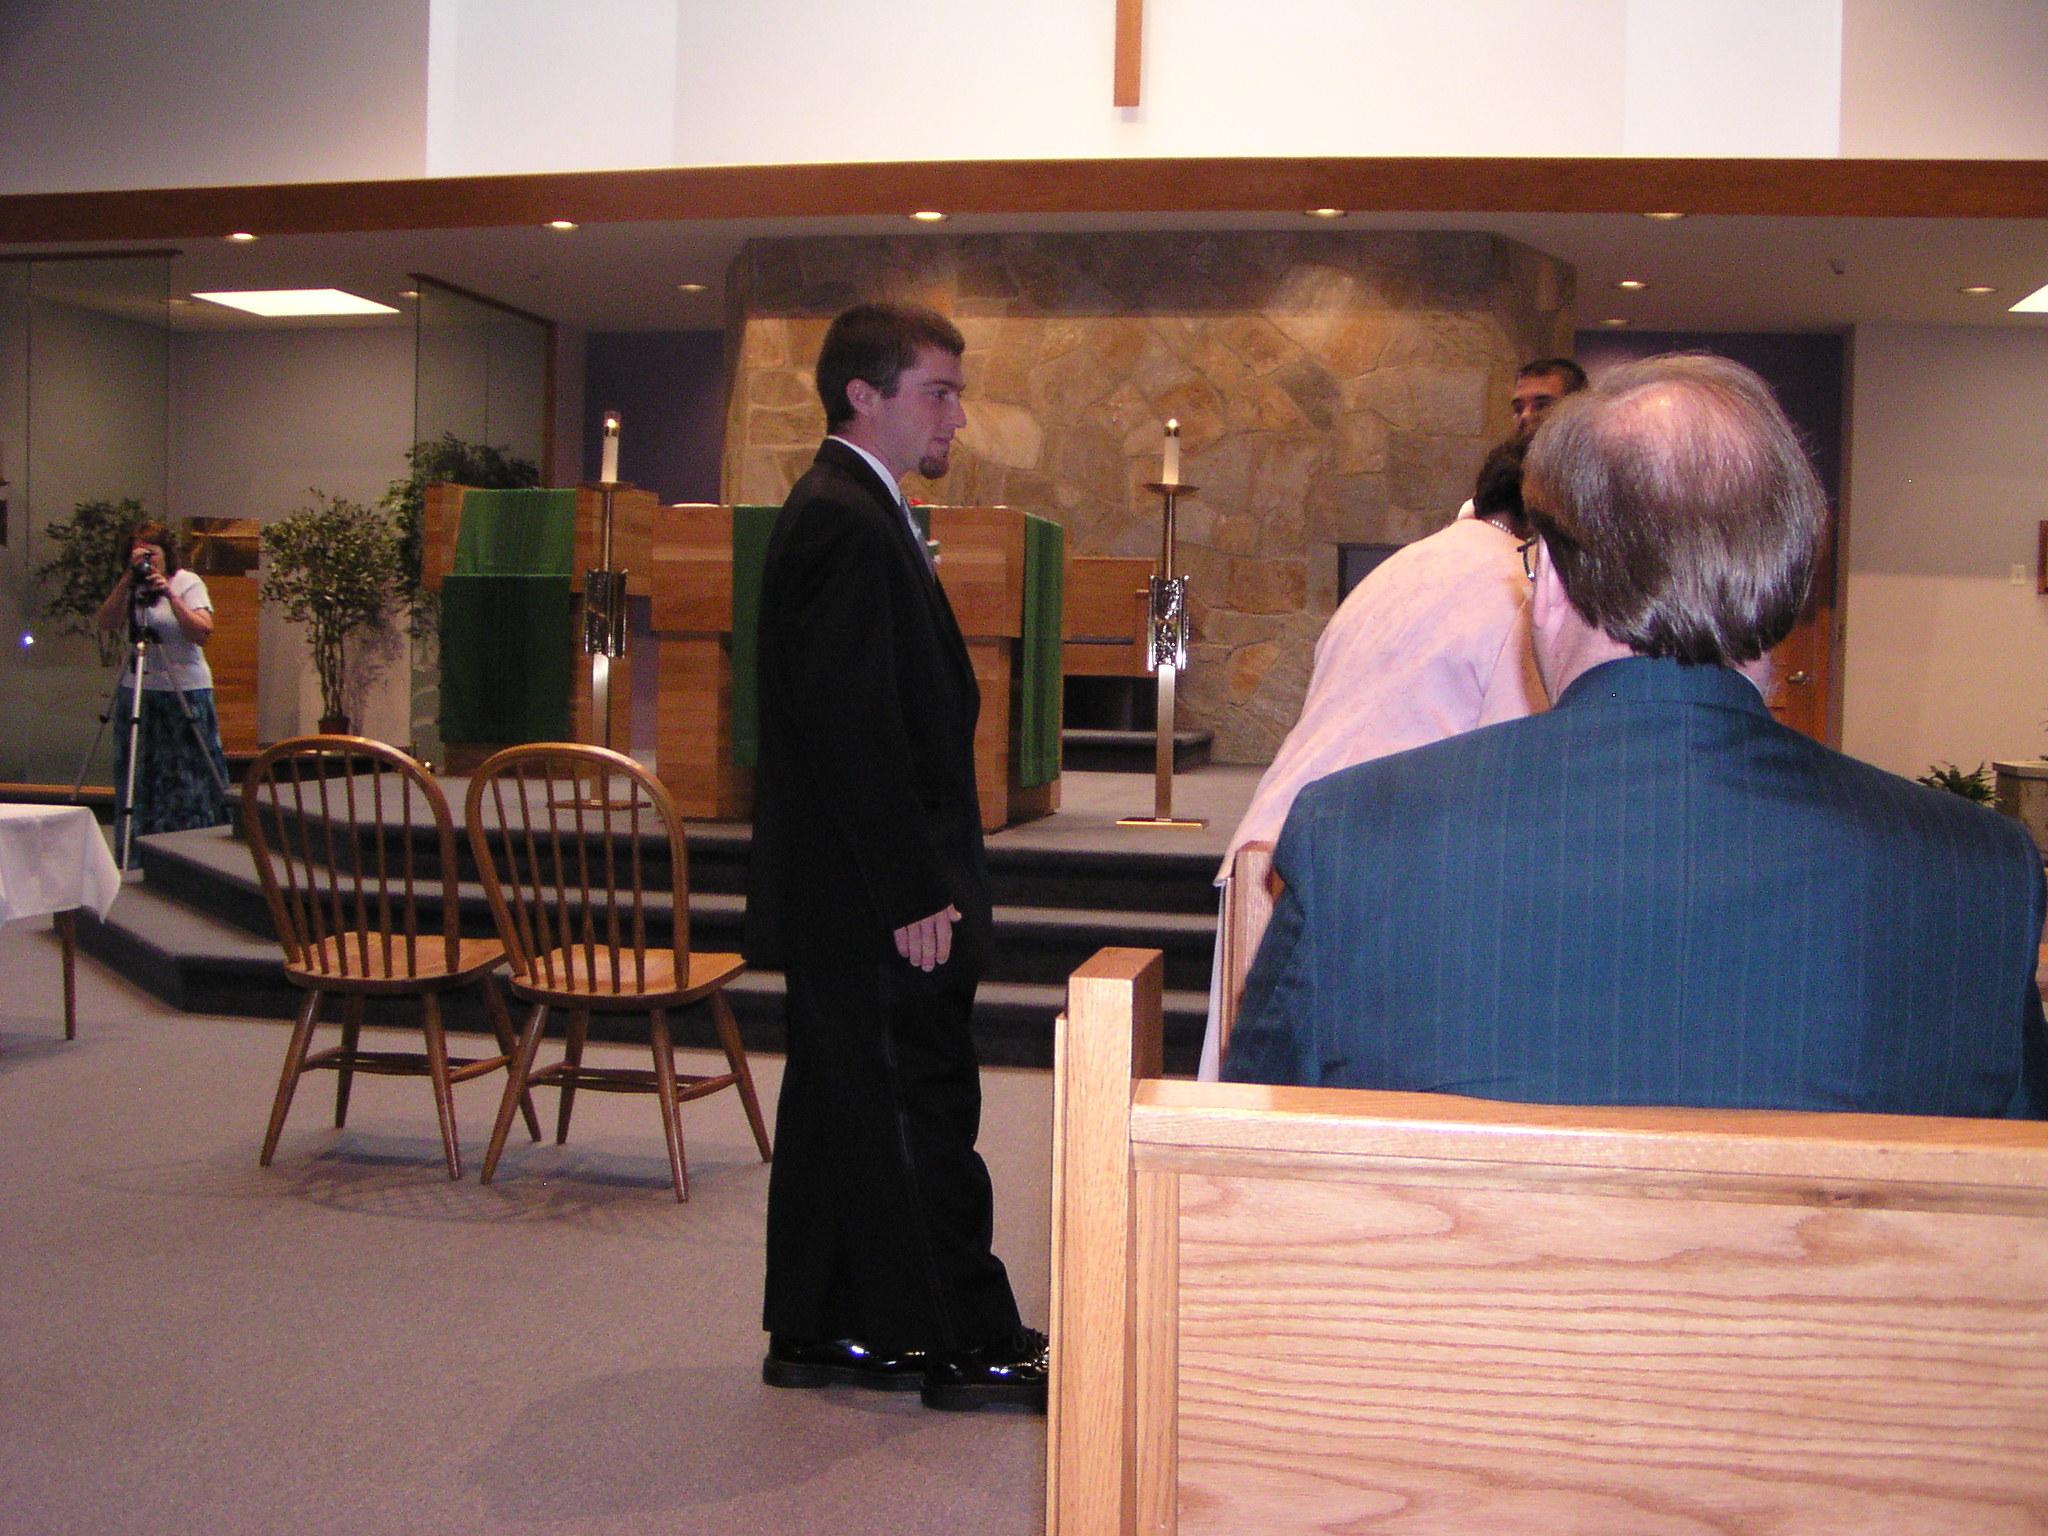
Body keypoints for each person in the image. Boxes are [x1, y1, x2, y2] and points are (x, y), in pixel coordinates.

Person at [1224, 353, 2048, 1119]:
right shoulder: (1977, 872)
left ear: (1548, 584)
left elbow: (1247, 1168)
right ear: (1788, 584)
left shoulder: (1358, 834)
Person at [744, 302, 1047, 1411]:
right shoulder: (843, 519)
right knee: (920, 1102)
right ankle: (964, 1339)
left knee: (841, 1106)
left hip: (851, 886)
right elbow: (851, 727)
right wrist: (912, 888)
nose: (956, 417)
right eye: (939, 392)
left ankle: (822, 1324)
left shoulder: (855, 507)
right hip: (878, 892)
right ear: (863, 396)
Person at [1197, 437, 1546, 1079]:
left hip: (1270, 844)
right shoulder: (1526, 589)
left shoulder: (1398, 567)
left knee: (1248, 1102)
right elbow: (1517, 785)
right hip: (1376, 878)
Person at [94, 520, 230, 846]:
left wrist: (169, 594)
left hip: (183, 690)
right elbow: (107, 622)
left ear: (166, 554)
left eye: (151, 554)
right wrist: (127, 580)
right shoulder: (132, 586)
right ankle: (137, 849)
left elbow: (202, 631)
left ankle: (194, 846)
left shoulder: (187, 582)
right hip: (139, 690)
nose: (146, 561)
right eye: (139, 554)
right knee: (140, 774)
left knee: (186, 775)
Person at [1455, 357, 1587, 519]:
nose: (1525, 415)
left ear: (1577, 409)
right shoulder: (1493, 499)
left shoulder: (1597, 484)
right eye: (1518, 408)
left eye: (1542, 405)